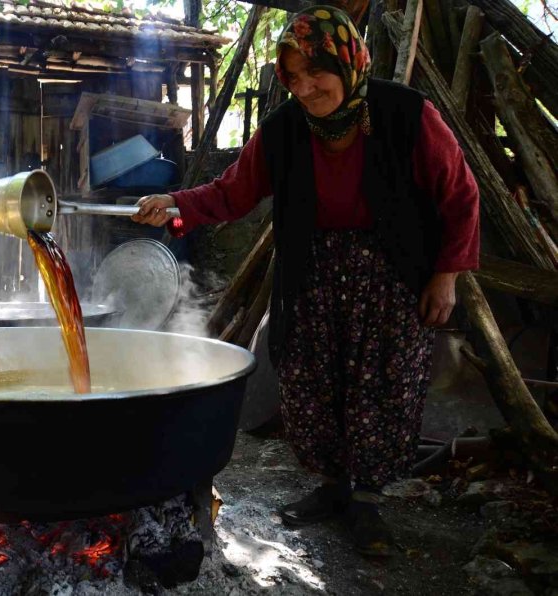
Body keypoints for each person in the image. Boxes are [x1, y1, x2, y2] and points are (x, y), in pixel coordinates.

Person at [133, 5, 479, 557]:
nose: (305, 87)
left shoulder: (408, 114)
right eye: (293, 76)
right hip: (312, 273)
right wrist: (175, 203)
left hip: (390, 276)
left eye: (316, 71)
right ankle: (333, 486)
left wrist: (446, 275)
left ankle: (366, 500)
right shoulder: (284, 130)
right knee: (312, 382)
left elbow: (460, 195)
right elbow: (232, 192)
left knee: (380, 385)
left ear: (347, 61)